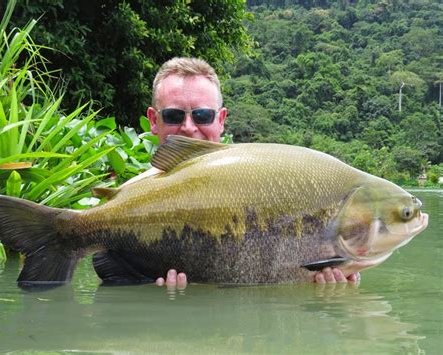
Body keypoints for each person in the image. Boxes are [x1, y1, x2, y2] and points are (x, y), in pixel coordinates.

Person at [113, 57, 359, 288]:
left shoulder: (260, 178)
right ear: (154, 120)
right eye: (174, 115)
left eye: (202, 115)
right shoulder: (123, 200)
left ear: (220, 119)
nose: (188, 128)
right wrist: (147, 286)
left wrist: (332, 286)